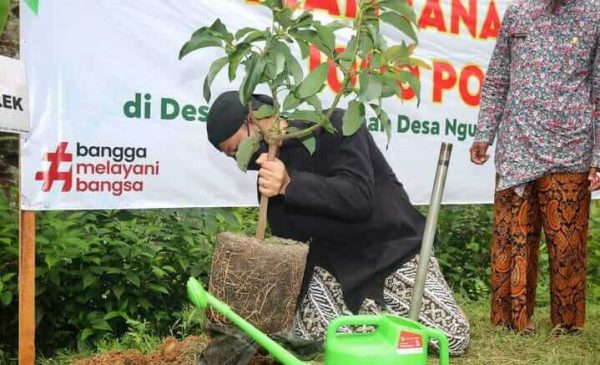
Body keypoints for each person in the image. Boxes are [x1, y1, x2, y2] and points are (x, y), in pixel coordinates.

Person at [206, 90, 470, 355]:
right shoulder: (268, 174)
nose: (240, 159)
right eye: (232, 156)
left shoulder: (337, 125)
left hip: (390, 251)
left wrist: (290, 184)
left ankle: (380, 316)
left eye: (237, 148)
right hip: (335, 269)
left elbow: (358, 198)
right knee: (306, 337)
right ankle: (374, 318)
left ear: (253, 118)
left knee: (454, 338)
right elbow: (291, 243)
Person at [471, 0, 600, 333]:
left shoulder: (595, 14)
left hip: (571, 148)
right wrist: (484, 133)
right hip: (517, 146)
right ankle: (511, 321)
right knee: (511, 237)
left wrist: (598, 156)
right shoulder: (518, 12)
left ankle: (567, 324)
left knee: (567, 244)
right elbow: (497, 79)